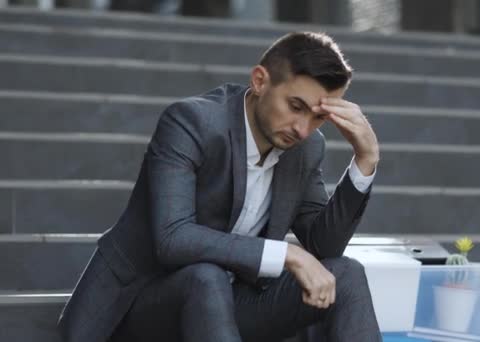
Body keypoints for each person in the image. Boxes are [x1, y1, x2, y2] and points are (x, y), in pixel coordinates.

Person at [57, 31, 382, 342]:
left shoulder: (306, 148)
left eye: (317, 118)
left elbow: (323, 249)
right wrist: (289, 255)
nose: (302, 129)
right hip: (140, 304)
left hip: (229, 304)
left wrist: (365, 159)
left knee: (346, 273)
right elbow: (173, 239)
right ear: (259, 81)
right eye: (295, 107)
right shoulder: (191, 122)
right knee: (205, 277)